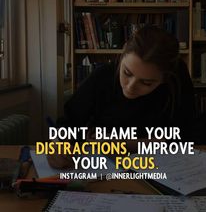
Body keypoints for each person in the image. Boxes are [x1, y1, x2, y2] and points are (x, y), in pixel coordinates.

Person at [47, 25, 195, 168]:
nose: (130, 87)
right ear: (122, 56)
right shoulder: (102, 76)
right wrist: (57, 145)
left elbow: (184, 138)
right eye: (127, 73)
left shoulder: (176, 82)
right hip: (103, 171)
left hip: (162, 169)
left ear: (164, 79)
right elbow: (68, 124)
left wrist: (121, 144)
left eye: (146, 82)